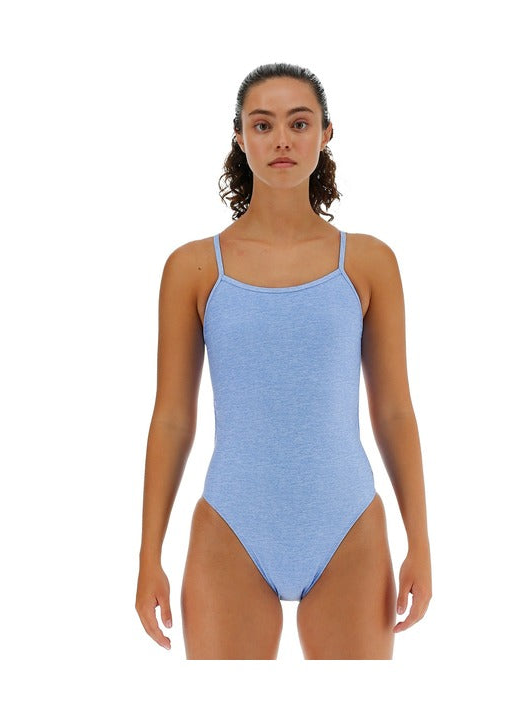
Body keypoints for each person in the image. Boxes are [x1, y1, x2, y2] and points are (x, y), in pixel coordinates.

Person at [135, 62, 432, 660]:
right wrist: (148, 557)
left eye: (299, 123)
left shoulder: (368, 263)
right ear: (240, 137)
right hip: (230, 526)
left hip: (348, 524)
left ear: (325, 134)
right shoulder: (194, 268)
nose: (281, 141)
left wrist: (420, 543)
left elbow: (395, 411)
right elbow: (172, 418)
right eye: (262, 124)